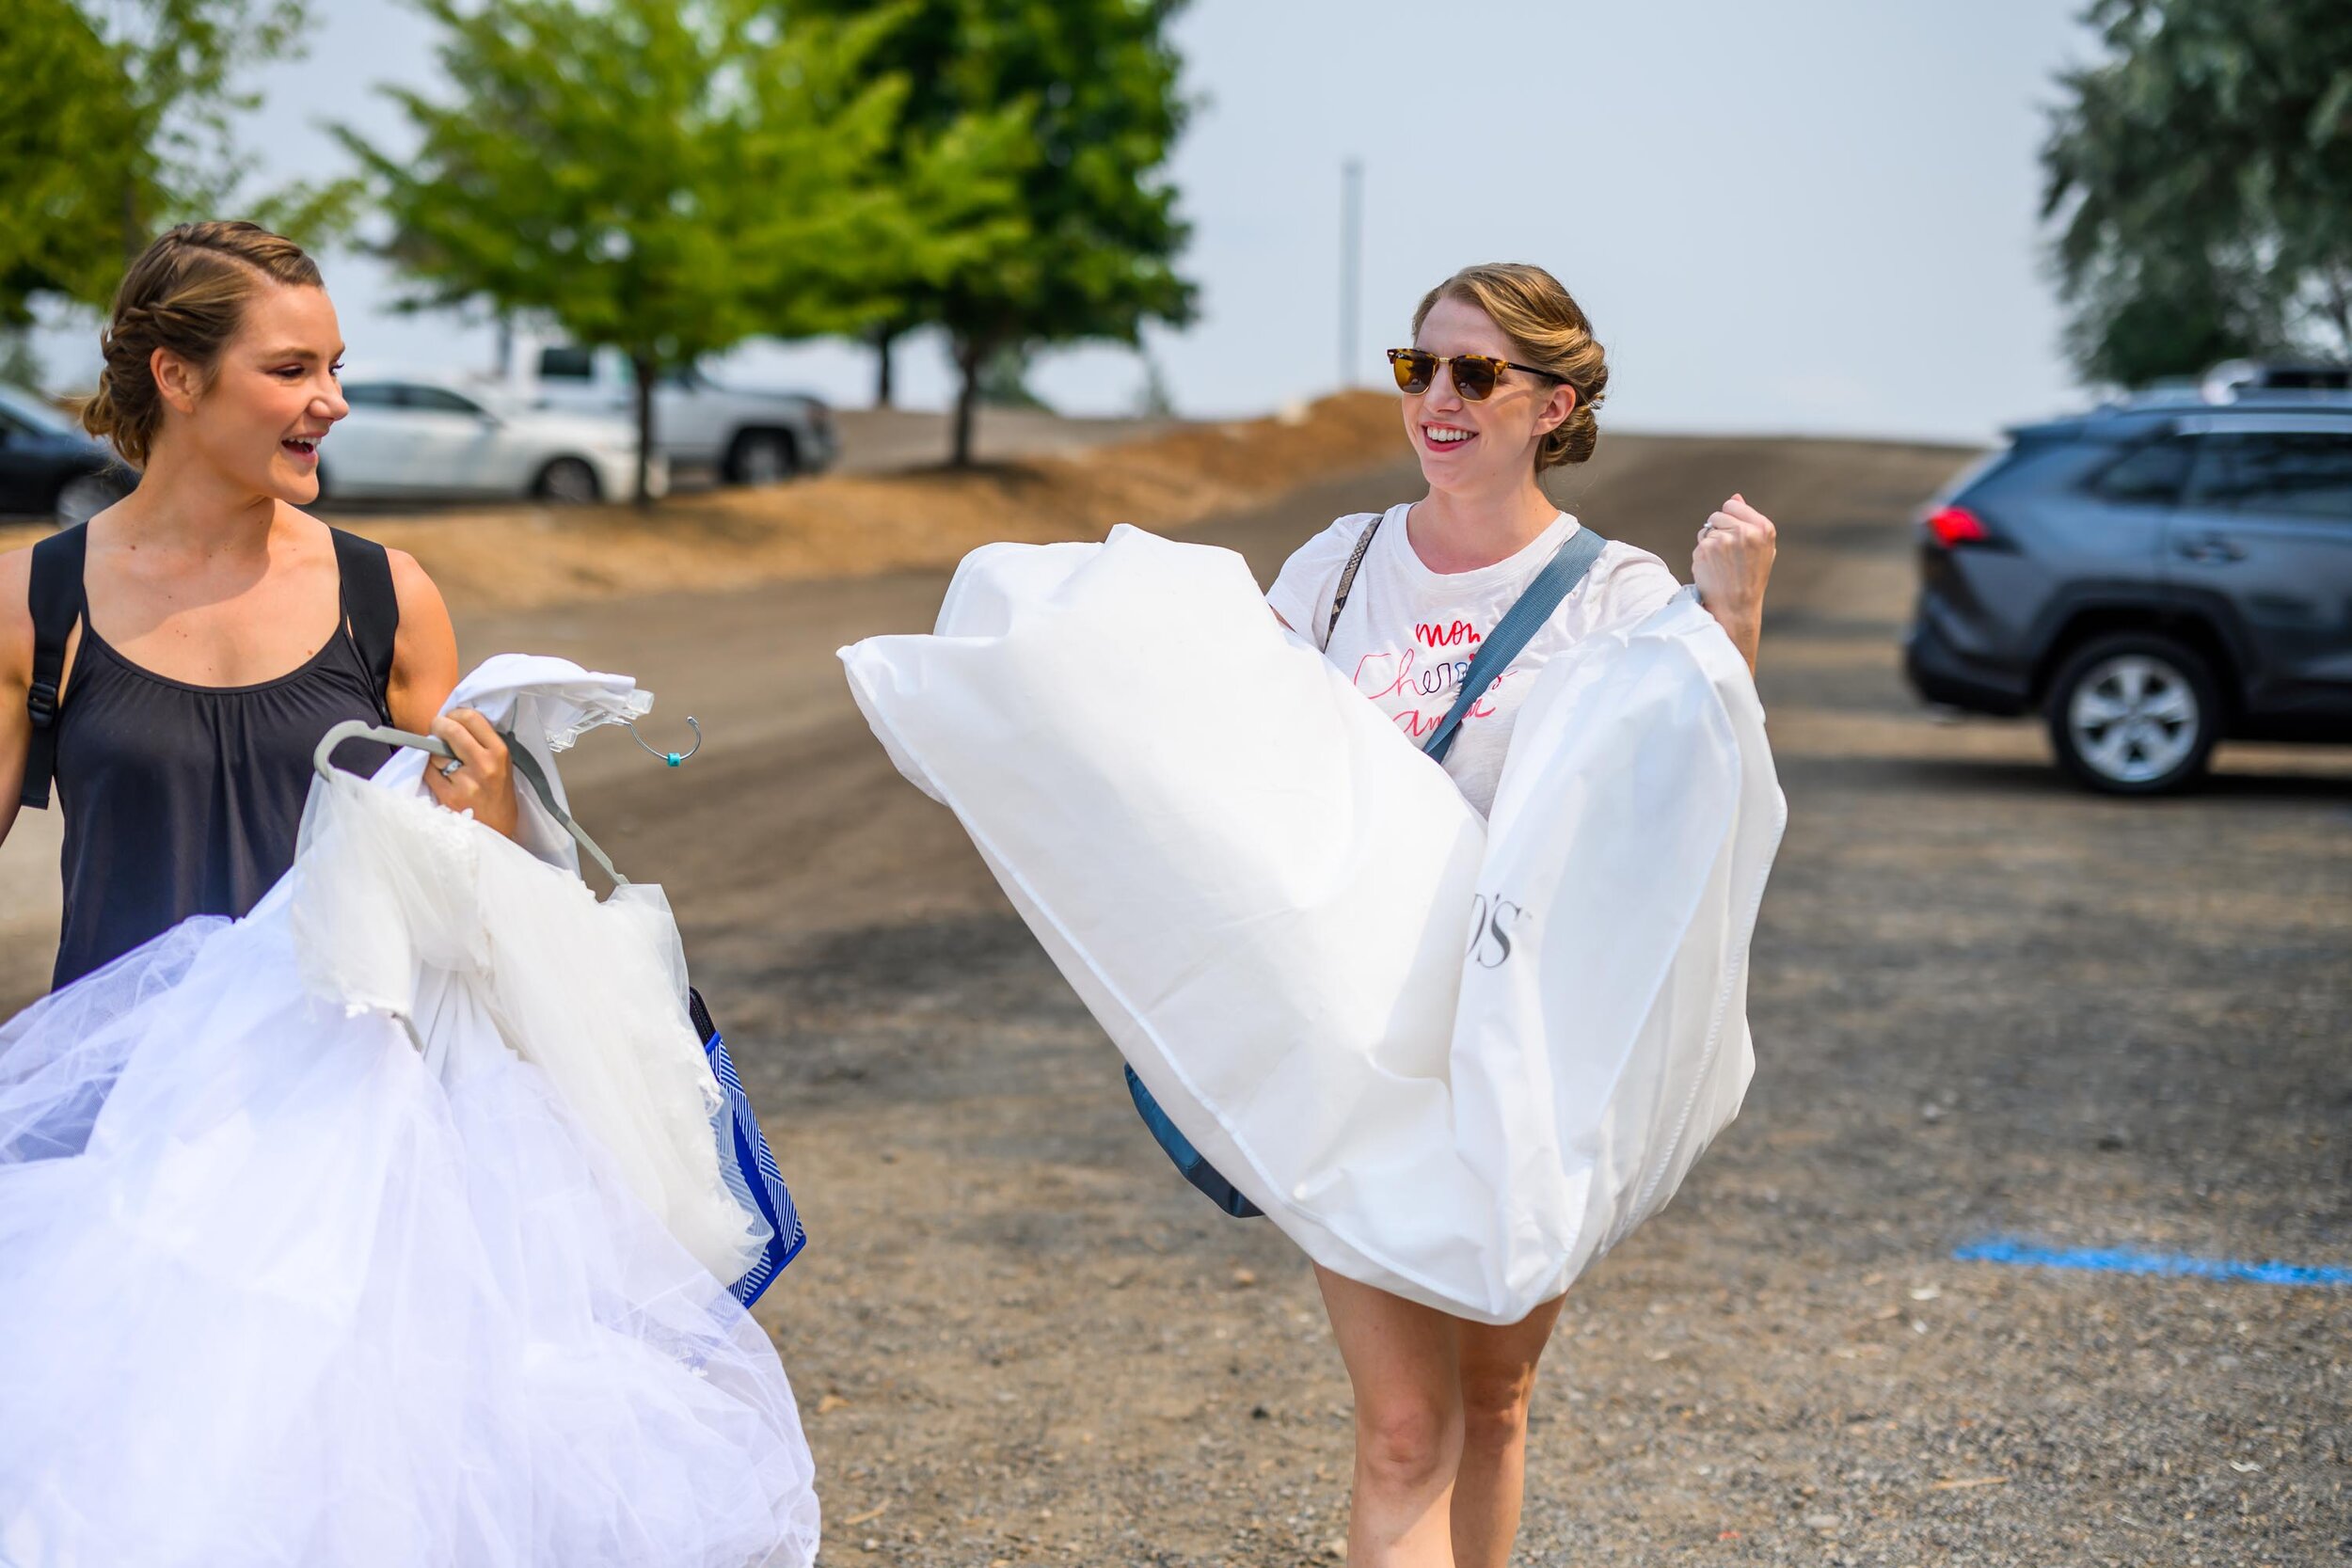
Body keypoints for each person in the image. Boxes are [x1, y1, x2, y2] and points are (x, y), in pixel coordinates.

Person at [1259, 262, 1776, 1568]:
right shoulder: (1337, 566)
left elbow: (1688, 795)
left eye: (1475, 372)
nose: (1438, 397)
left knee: (1492, 1399)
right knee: (1400, 1424)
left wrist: (1737, 615)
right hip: (1359, 1056)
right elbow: (1234, 769)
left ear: (1553, 403)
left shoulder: (1614, 591)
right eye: (1416, 366)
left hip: (1525, 1062)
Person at [0, 220, 516, 991]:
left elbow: (468, 891)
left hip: (345, 1095)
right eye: (291, 370)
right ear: (177, 377)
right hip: (127, 1099)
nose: (334, 402)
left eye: (334, 369)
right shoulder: (32, 600)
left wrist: (493, 807)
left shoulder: (388, 597)